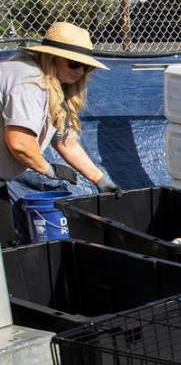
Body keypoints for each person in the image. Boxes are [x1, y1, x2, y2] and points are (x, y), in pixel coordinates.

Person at [1, 21, 117, 245]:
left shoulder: (50, 83)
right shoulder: (29, 81)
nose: (81, 71)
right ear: (51, 57)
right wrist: (50, 169)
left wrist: (100, 180)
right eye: (74, 63)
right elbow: (21, 144)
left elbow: (65, 141)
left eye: (86, 67)